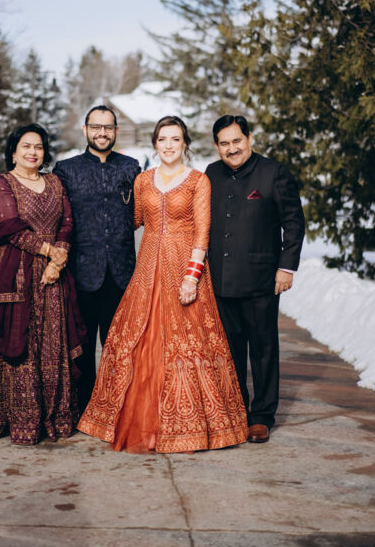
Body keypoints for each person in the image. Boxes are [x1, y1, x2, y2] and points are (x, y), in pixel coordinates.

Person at [78, 116, 249, 453]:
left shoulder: (198, 181)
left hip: (184, 266)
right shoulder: (143, 180)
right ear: (155, 144)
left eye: (175, 139)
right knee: (138, 339)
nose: (168, 145)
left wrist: (192, 276)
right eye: (162, 139)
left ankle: (189, 426)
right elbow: (133, 220)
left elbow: (202, 232)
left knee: (188, 343)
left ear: (185, 144)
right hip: (147, 267)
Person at [0, 124, 85, 445]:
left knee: (51, 343)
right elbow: (11, 228)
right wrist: (51, 253)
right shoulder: (3, 183)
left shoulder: (55, 182)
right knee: (19, 340)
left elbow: (67, 223)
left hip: (52, 276)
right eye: (26, 146)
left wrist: (58, 260)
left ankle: (52, 418)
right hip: (16, 272)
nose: (33, 152)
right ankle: (11, 419)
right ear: (14, 152)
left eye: (38, 147)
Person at [205, 115, 305, 444]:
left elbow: (294, 223)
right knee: (230, 350)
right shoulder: (211, 174)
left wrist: (286, 267)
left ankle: (261, 416)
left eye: (237, 140)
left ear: (249, 138)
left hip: (262, 279)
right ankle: (237, 411)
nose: (232, 148)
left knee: (263, 349)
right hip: (221, 278)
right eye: (224, 143)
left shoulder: (273, 172)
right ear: (216, 146)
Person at [53, 105, 141, 413]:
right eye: (96, 127)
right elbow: (58, 218)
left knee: (120, 345)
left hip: (122, 272)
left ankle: (115, 408)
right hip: (81, 272)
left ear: (116, 131)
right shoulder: (66, 170)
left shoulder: (131, 167)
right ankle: (84, 407)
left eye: (107, 127)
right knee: (83, 345)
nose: (102, 133)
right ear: (85, 130)